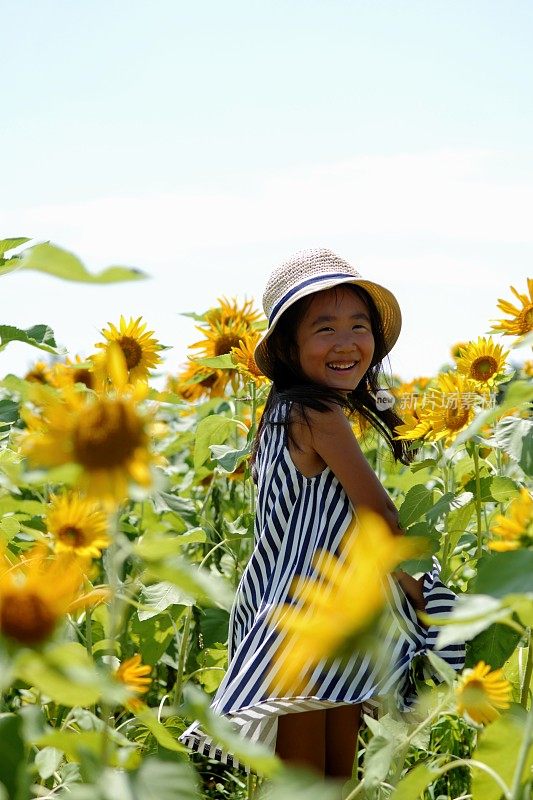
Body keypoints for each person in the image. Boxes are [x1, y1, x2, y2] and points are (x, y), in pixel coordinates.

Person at [180, 248, 465, 780]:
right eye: (325, 327)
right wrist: (419, 594)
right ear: (289, 346)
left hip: (304, 612)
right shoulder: (316, 413)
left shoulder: (284, 413)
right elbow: (378, 513)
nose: (346, 342)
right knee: (317, 783)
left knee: (318, 783)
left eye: (359, 325)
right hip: (312, 616)